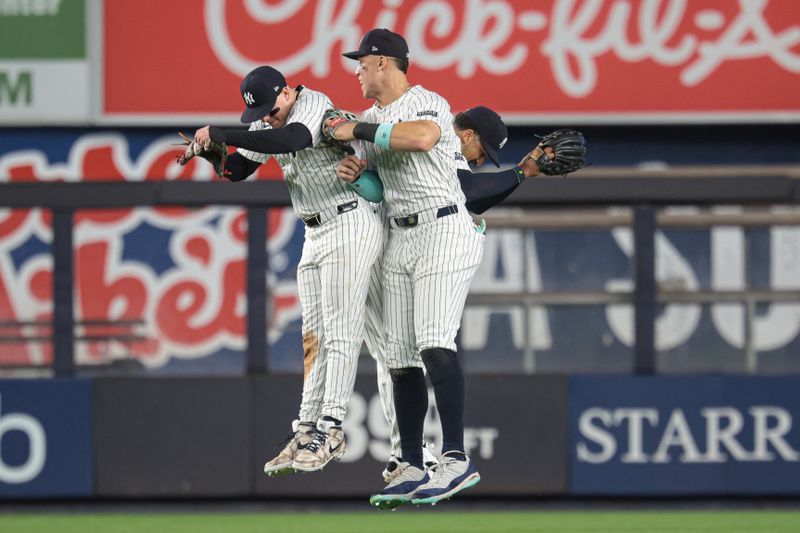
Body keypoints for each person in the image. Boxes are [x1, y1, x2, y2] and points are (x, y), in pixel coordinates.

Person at [192, 65, 385, 474]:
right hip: (315, 230)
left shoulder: (310, 103)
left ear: (285, 93)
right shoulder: (271, 120)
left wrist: (226, 133)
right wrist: (214, 153)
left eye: (269, 108)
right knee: (313, 335)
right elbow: (237, 171)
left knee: (340, 327)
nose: (266, 116)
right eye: (258, 112)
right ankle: (306, 427)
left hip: (350, 219)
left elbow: (293, 138)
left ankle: (331, 427)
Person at [325, 28, 487, 508]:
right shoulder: (372, 118)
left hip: (443, 228)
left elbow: (421, 137)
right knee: (398, 358)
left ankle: (456, 459)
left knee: (435, 342)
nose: (356, 69)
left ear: (383, 62)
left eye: (362, 62)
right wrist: (361, 179)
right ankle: (413, 463)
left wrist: (356, 131)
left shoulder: (427, 101)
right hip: (400, 233)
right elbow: (382, 188)